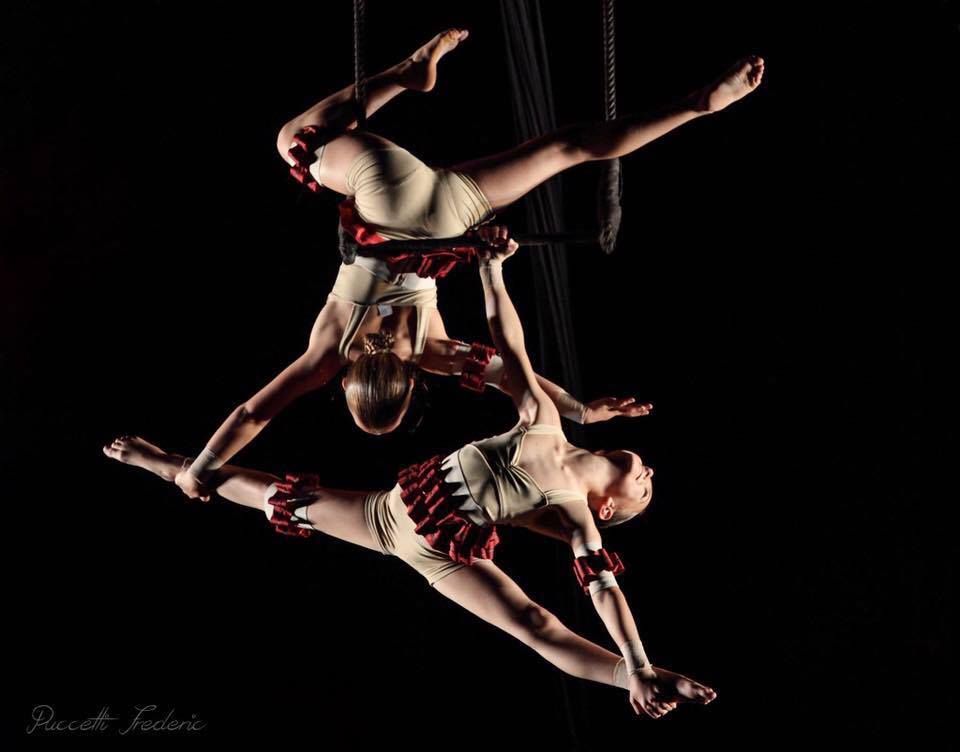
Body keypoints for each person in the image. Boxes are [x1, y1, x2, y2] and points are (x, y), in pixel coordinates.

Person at [104, 230, 717, 719]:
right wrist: (491, 269)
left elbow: (604, 590)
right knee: (281, 499)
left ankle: (629, 678)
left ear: (607, 507)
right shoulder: (545, 421)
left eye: (646, 488)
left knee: (535, 626)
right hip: (395, 514)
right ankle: (174, 466)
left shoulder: (578, 516)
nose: (650, 471)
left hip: (443, 555)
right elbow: (512, 346)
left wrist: (636, 664)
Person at [172, 29, 763, 498]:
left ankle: (699, 106)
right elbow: (254, 412)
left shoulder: (433, 355)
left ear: (408, 389)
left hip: (451, 217)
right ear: (351, 385)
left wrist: (582, 410)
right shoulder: (328, 354)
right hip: (386, 197)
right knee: (293, 140)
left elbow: (516, 373)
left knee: (569, 146)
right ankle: (405, 74)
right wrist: (200, 465)